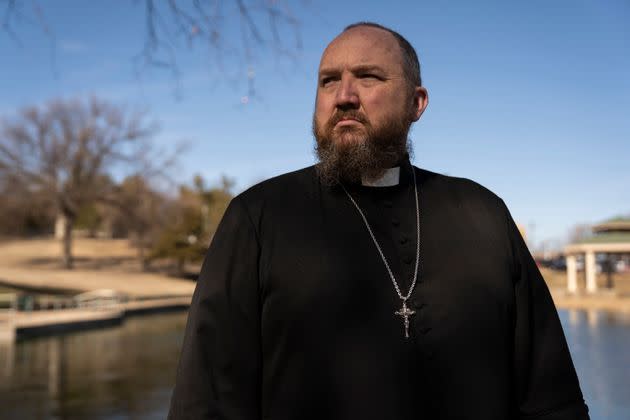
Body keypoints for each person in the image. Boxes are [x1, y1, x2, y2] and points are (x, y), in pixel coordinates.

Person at [168, 22, 589, 420]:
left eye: (368, 77)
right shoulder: (257, 216)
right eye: (328, 80)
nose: (344, 96)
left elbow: (550, 397)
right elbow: (206, 403)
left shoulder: (483, 213)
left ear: (416, 103)